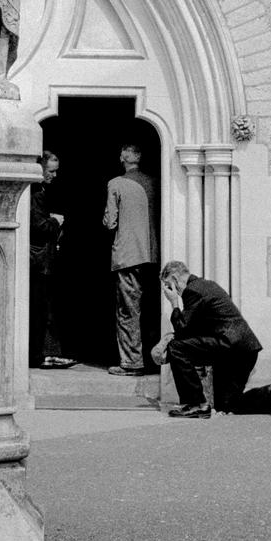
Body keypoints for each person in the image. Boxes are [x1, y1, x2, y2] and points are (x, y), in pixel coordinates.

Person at [158, 259, 271, 418]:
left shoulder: (193, 291)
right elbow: (196, 329)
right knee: (227, 404)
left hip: (229, 347)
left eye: (168, 286)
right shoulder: (207, 285)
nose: (172, 291)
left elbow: (183, 330)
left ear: (175, 280)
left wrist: (174, 303)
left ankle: (196, 404)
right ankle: (270, 394)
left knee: (176, 348)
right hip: (244, 350)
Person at [102, 143, 159, 375]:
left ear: (122, 158)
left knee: (128, 310)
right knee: (152, 307)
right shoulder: (155, 182)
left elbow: (110, 222)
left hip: (128, 255)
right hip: (152, 254)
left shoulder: (115, 184)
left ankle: (132, 362)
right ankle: (154, 359)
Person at [29, 152, 75, 369]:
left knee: (44, 307)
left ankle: (45, 353)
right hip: (38, 260)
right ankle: (42, 355)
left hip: (41, 259)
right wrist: (55, 221)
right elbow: (38, 225)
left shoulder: (39, 191)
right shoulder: (35, 193)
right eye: (51, 171)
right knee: (41, 307)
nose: (55, 175)